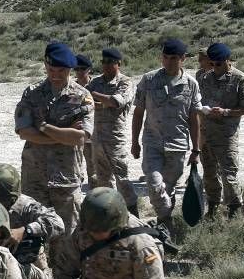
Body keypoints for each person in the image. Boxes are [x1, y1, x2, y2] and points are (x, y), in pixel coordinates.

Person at [15, 42, 94, 235]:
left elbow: (80, 138)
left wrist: (43, 127)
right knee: (32, 235)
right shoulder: (32, 93)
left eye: (62, 71)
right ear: (45, 65)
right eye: (52, 70)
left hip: (66, 178)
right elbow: (24, 132)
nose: (56, 75)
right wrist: (63, 133)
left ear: (70, 70)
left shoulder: (83, 96)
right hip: (34, 177)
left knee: (68, 235)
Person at [131, 38, 202, 228]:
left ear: (183, 59)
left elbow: (194, 119)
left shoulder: (191, 84)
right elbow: (138, 113)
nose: (169, 61)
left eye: (174, 58)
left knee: (168, 188)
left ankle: (164, 228)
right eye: (165, 57)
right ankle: (165, 220)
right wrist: (134, 142)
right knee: (154, 186)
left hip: (178, 145)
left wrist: (196, 150)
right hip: (152, 142)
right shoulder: (149, 79)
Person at [0, 163, 64, 279]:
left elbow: (58, 223)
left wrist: (25, 230)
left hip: (27, 267)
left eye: (0, 199)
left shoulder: (25, 205)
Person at [197, 42, 244, 219]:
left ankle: (234, 210)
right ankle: (213, 208)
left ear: (228, 61)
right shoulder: (205, 78)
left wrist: (226, 112)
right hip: (206, 133)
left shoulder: (240, 79)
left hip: (226, 135)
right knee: (209, 173)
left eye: (218, 64)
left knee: (229, 174)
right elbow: (197, 102)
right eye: (211, 64)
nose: (214, 68)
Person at [86, 48, 138, 215]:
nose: (106, 65)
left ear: (119, 63)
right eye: (104, 62)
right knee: (103, 180)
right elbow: (82, 98)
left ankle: (133, 212)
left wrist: (93, 95)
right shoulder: (96, 82)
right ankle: (110, 215)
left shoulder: (125, 82)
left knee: (122, 179)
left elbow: (116, 101)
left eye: (110, 62)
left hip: (115, 138)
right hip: (97, 138)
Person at [75, 54, 94, 186]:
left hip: (93, 132)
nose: (80, 72)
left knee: (94, 170)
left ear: (89, 70)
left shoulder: (97, 85)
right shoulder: (71, 87)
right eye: (77, 69)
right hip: (76, 132)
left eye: (83, 69)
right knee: (76, 169)